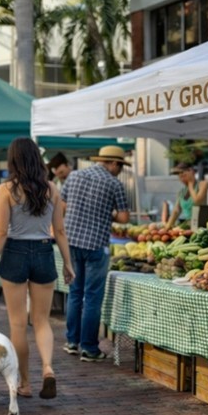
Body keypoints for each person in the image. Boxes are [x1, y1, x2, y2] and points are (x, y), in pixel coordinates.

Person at [0, 138, 74, 399]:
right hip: (45, 251)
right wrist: (68, 263)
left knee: (18, 323)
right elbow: (59, 230)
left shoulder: (7, 189)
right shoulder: (51, 189)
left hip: (15, 252)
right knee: (42, 321)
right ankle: (47, 368)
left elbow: (1, 230)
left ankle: (24, 383)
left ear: (14, 159)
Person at [61, 145, 131, 362]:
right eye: (120, 166)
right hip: (96, 245)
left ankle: (72, 342)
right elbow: (124, 218)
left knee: (74, 292)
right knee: (92, 297)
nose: (119, 171)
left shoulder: (73, 176)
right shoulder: (114, 183)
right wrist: (105, 212)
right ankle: (89, 348)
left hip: (71, 242)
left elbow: (61, 206)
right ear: (113, 163)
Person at [163, 162, 208, 229]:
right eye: (180, 176)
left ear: (191, 172)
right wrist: (167, 227)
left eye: (184, 175)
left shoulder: (203, 184)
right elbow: (176, 211)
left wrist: (191, 184)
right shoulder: (181, 192)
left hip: (200, 226)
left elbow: (197, 201)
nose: (182, 179)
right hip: (187, 226)